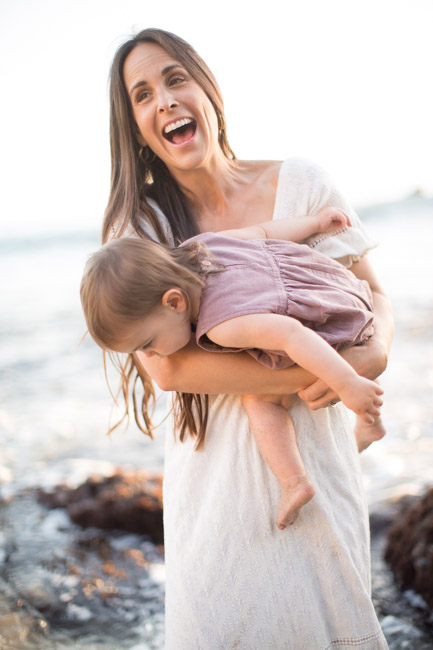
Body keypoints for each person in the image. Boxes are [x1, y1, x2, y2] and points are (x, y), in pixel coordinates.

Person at [102, 27, 393, 649]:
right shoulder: (143, 225)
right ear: (134, 125)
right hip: (215, 482)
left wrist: (374, 355)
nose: (166, 101)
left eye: (176, 79)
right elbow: (170, 371)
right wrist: (322, 373)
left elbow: (377, 298)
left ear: (208, 88)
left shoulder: (304, 183)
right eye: (143, 95)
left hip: (320, 452)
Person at [81, 207, 385, 531]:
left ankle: (295, 481)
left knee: (259, 399)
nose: (152, 355)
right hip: (334, 285)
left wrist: (347, 381)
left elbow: (292, 334)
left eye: (148, 343)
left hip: (328, 321)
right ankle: (372, 423)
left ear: (174, 302)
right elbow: (263, 233)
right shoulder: (203, 246)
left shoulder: (223, 326)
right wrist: (315, 224)